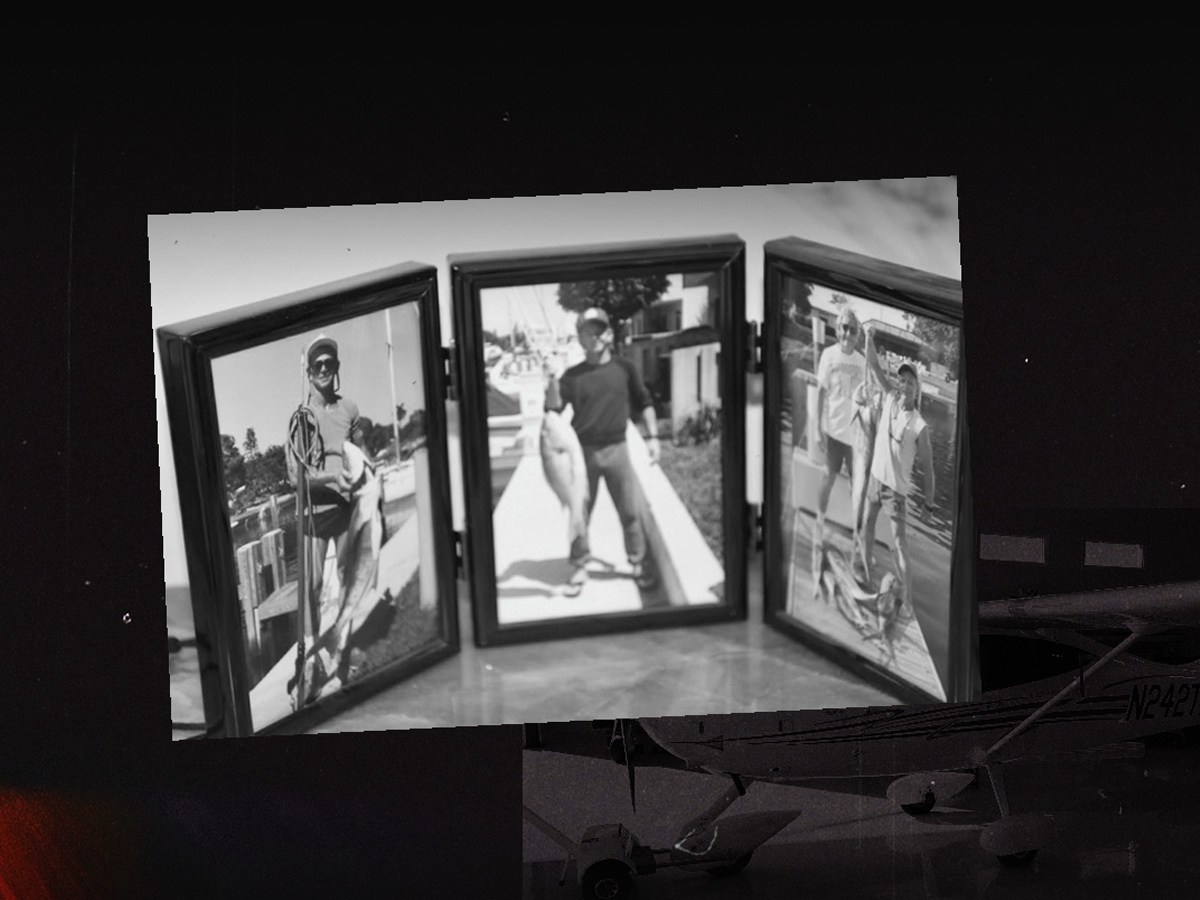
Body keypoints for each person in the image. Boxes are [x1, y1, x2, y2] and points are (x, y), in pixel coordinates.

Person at [546, 308, 660, 597]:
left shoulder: (625, 368)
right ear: (580, 339)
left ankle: (636, 561)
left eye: (598, 331)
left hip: (617, 448)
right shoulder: (572, 376)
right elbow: (553, 412)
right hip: (582, 454)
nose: (593, 337)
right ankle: (579, 564)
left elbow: (644, 401)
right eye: (587, 332)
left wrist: (653, 437)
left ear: (609, 334)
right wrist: (550, 382)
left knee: (630, 511)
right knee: (579, 513)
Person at [287, 335, 365, 632]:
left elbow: (362, 455)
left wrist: (369, 486)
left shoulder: (350, 410)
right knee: (313, 586)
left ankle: (346, 638)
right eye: (316, 364)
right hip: (314, 514)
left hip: (346, 508)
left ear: (337, 366)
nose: (323, 368)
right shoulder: (302, 417)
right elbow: (297, 477)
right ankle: (311, 658)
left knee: (349, 575)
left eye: (328, 362)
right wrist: (333, 477)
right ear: (308, 373)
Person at [859, 323, 936, 617]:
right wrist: (867, 339)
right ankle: (865, 571)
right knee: (866, 526)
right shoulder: (889, 396)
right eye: (901, 380)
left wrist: (928, 504)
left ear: (917, 390)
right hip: (875, 481)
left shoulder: (919, 425)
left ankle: (909, 603)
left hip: (896, 493)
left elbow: (929, 469)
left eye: (910, 382)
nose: (904, 386)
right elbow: (874, 364)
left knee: (901, 546)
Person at [814, 307, 866, 542]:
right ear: (838, 329)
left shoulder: (863, 362)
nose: (848, 333)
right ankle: (819, 523)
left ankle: (858, 536)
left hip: (856, 439)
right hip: (833, 432)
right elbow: (820, 394)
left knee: (857, 489)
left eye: (853, 330)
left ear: (858, 335)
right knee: (827, 479)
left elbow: (868, 403)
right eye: (844, 327)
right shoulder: (828, 355)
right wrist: (817, 429)